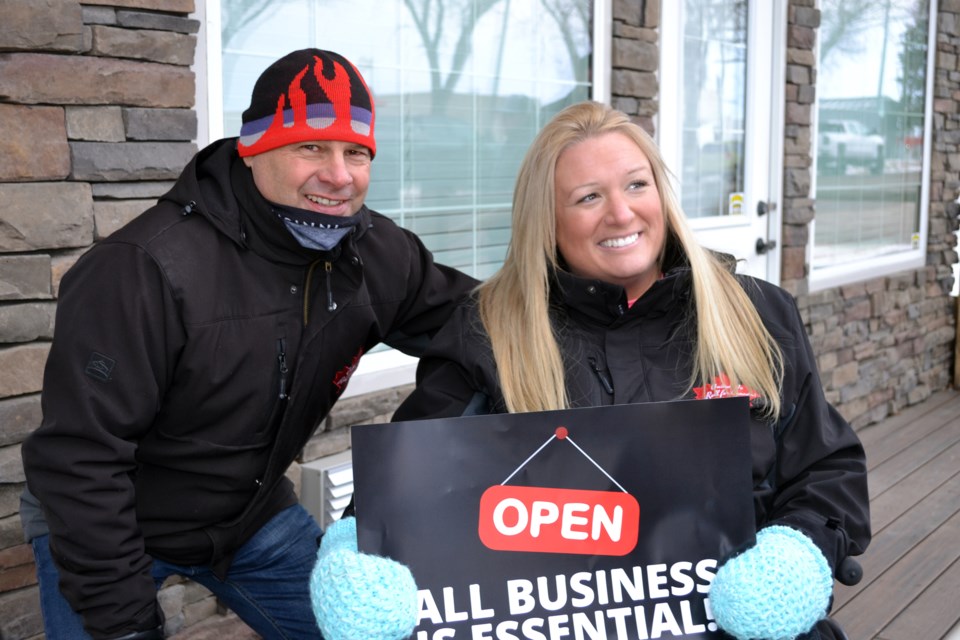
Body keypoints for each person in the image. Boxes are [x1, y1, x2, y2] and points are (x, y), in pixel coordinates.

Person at [309, 101, 871, 640]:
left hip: (741, 630)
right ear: (548, 221)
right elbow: (405, 487)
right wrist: (353, 558)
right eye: (587, 197)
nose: (621, 213)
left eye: (635, 185)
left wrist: (799, 554)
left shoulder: (758, 313)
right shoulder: (488, 334)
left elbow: (827, 469)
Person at [19, 48, 477, 640]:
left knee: (368, 631)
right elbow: (80, 462)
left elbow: (487, 328)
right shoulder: (141, 269)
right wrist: (125, 624)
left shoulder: (379, 255)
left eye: (356, 153)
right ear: (253, 148)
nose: (338, 175)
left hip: (249, 517)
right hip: (106, 521)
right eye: (310, 146)